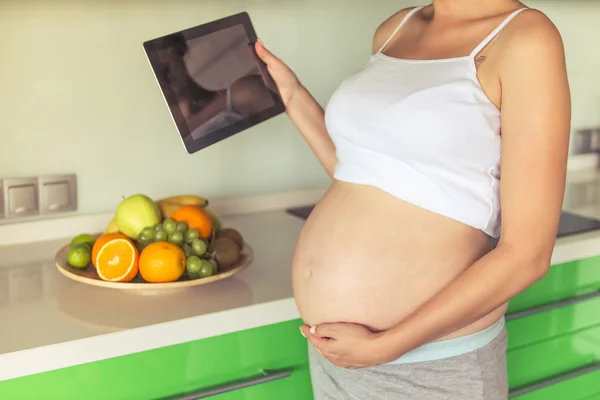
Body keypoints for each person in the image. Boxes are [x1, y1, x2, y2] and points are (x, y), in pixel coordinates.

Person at [254, 0, 571, 398]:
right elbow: (360, 171)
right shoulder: (397, 27)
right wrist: (291, 94)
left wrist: (386, 346)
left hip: (432, 366)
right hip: (338, 361)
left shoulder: (525, 37)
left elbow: (527, 254)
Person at [152, 33, 275, 140]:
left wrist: (196, 120)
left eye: (166, 72)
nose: (168, 86)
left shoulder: (202, 69)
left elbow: (248, 95)